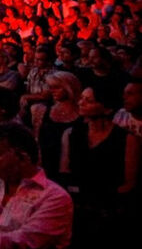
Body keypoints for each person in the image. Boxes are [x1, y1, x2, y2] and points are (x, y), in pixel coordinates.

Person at [59, 86, 138, 245]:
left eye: (89, 101)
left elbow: (129, 183)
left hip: (111, 205)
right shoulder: (71, 133)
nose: (81, 103)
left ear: (107, 108)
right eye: (81, 98)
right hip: (77, 202)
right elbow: (65, 171)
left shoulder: (127, 139)